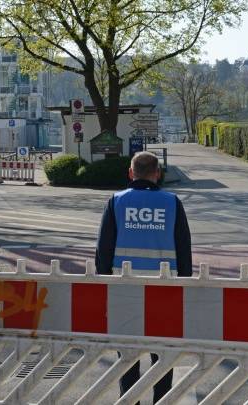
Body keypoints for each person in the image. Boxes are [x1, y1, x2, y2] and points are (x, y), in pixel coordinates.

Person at [95, 151, 192, 403]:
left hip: (125, 290)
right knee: (162, 355)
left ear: (131, 173)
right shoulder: (172, 202)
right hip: (165, 290)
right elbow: (184, 251)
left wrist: (103, 286)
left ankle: (130, 401)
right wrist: (185, 286)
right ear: (157, 175)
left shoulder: (116, 202)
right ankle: (160, 400)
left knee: (128, 355)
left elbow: (103, 250)